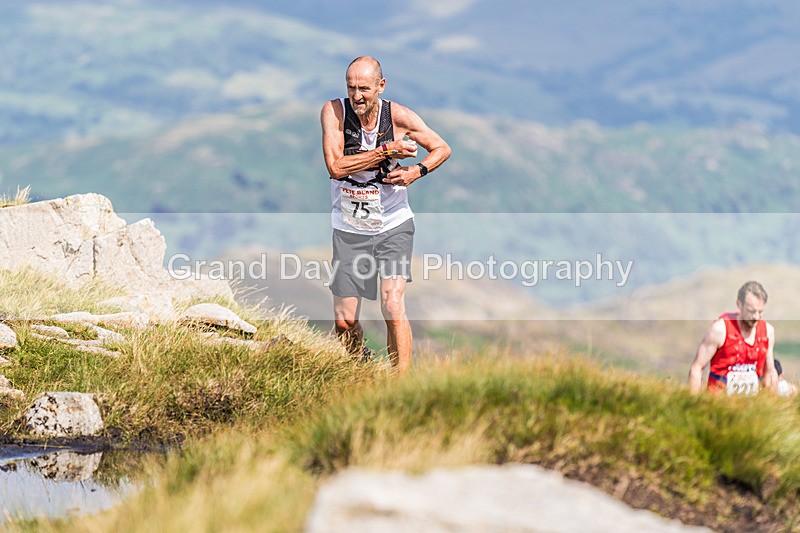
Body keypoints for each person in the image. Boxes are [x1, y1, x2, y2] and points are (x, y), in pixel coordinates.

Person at [320, 56, 451, 372]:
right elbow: (336, 167)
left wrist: (416, 172)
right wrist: (386, 151)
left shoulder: (399, 116)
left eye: (364, 89)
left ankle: (399, 386)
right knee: (344, 320)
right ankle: (360, 369)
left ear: (381, 86)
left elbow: (442, 148)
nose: (357, 96)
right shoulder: (334, 112)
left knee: (392, 304)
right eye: (351, 88)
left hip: (393, 223)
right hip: (350, 227)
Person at [688, 281, 776, 395]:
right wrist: (695, 401)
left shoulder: (768, 332)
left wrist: (772, 402)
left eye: (760, 311)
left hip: (753, 403)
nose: (756, 317)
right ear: (739, 304)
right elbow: (696, 368)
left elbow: (769, 372)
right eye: (751, 311)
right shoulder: (720, 330)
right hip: (719, 401)